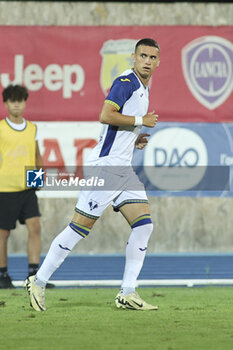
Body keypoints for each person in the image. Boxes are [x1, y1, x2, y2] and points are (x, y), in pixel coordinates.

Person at [25, 38, 160, 311]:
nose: (147, 60)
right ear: (133, 58)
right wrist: (140, 122)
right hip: (106, 166)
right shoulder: (127, 83)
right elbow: (105, 115)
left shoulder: (143, 88)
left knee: (144, 225)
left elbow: (115, 128)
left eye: (152, 57)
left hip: (123, 168)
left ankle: (127, 292)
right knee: (79, 228)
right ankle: (38, 281)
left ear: (158, 61)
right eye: (142, 55)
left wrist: (135, 139)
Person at [0, 85, 54, 289]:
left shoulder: (32, 128)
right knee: (2, 233)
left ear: (24, 102)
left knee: (35, 227)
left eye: (20, 100)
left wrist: (38, 179)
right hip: (4, 188)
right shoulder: (1, 128)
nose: (16, 104)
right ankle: (2, 275)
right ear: (5, 103)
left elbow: (36, 154)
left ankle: (34, 275)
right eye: (12, 100)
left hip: (27, 189)